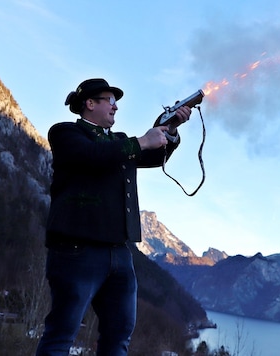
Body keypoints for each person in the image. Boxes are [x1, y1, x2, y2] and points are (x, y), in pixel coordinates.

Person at [36, 78, 191, 356]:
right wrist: (142, 141)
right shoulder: (64, 133)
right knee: (62, 333)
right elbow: (93, 155)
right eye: (109, 100)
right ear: (90, 104)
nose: (115, 106)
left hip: (120, 252)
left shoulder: (120, 142)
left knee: (119, 336)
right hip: (77, 249)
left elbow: (154, 156)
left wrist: (170, 130)